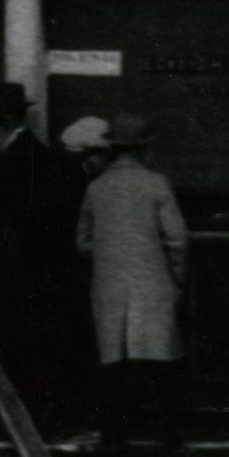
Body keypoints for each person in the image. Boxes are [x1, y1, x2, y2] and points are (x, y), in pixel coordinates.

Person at [76, 114, 188, 430]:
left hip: (109, 285)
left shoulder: (96, 188)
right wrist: (176, 278)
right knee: (158, 358)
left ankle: (113, 433)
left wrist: (109, 256)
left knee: (113, 359)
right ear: (144, 150)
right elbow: (177, 239)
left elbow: (83, 241)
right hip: (153, 284)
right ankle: (168, 435)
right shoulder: (157, 184)